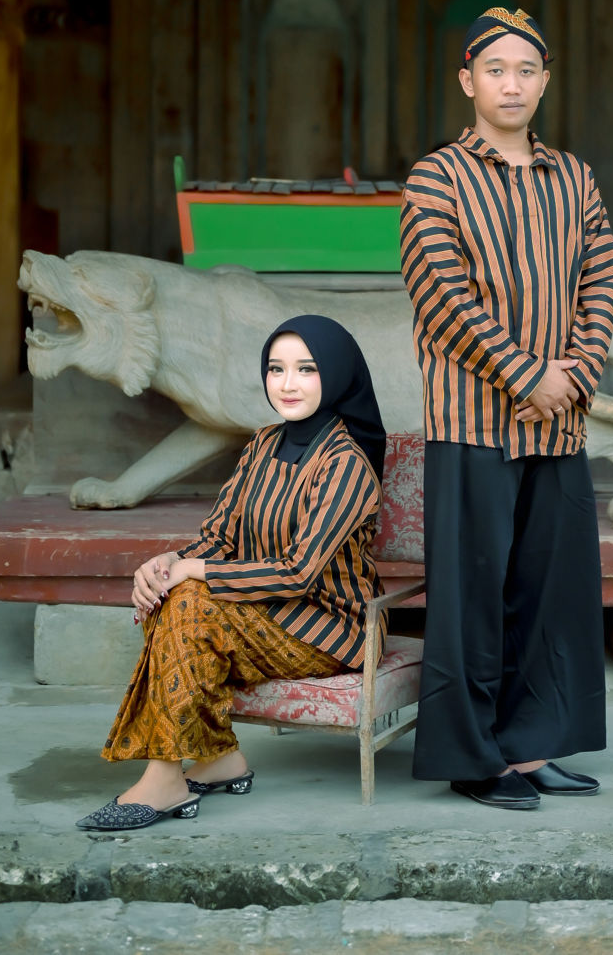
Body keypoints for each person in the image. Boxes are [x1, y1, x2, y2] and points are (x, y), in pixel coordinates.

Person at [400, 4, 613, 812]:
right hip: (473, 421)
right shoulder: (437, 178)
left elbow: (602, 275)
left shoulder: (574, 177)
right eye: (495, 70)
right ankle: (473, 757)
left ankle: (530, 749)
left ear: (546, 80)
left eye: (527, 70)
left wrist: (578, 370)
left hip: (559, 421)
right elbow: (442, 297)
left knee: (550, 593)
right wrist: (527, 374)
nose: (512, 84)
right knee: (472, 599)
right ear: (468, 81)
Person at [76, 315, 387, 831]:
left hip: (327, 626)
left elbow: (298, 573)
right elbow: (219, 536)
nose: (287, 384)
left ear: (336, 375)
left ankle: (165, 778)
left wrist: (191, 571)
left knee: (190, 603)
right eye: (276, 369)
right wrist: (167, 563)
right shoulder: (262, 443)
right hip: (263, 612)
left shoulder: (347, 464)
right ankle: (217, 759)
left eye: (306, 369)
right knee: (175, 594)